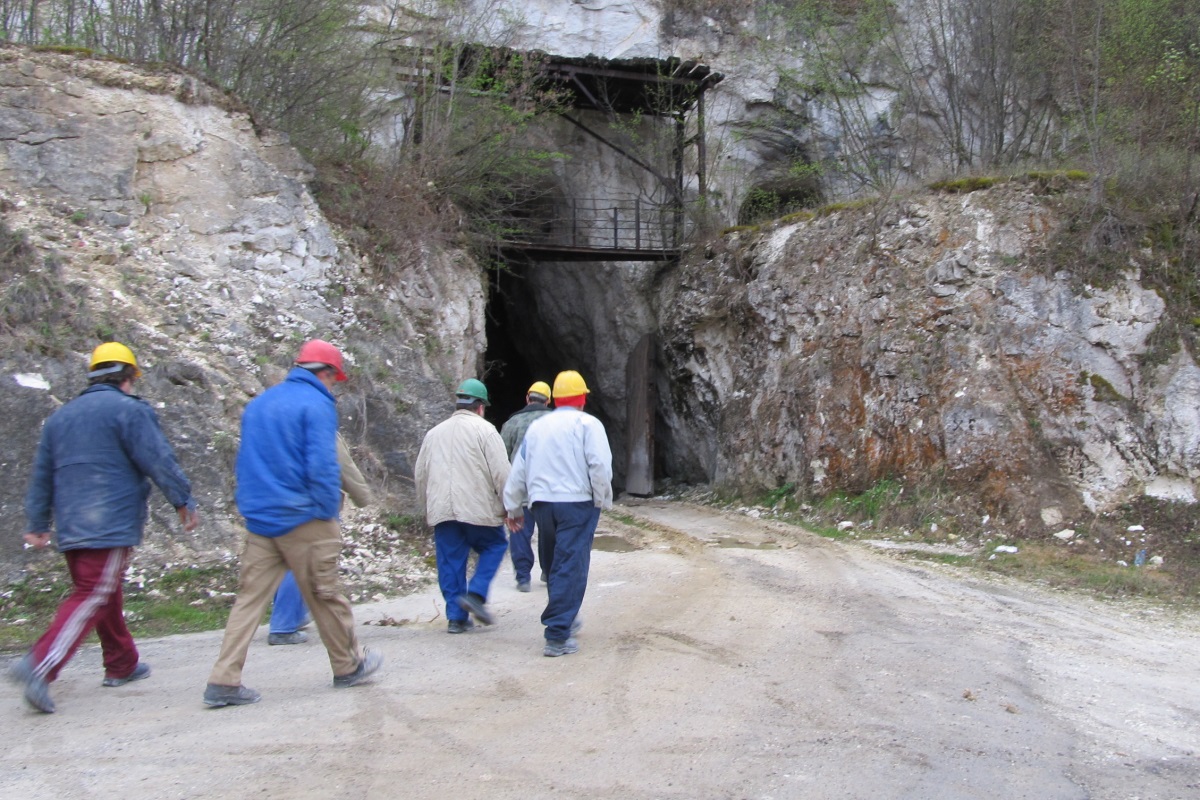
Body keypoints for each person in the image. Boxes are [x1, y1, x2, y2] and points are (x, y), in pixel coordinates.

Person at [9, 342, 199, 713]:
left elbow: (42, 475)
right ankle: (40, 664)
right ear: (129, 378)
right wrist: (182, 500)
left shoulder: (61, 418)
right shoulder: (129, 411)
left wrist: (37, 522)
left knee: (101, 591)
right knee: (93, 593)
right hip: (108, 520)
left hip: (71, 523)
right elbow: (157, 459)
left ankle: (122, 664)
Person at [202, 339, 381, 707]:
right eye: (336, 378)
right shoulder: (316, 404)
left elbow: (246, 463)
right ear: (327, 373)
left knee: (248, 600)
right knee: (326, 595)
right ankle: (349, 666)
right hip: (306, 519)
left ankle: (224, 679)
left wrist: (251, 508)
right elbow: (322, 464)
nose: (335, 385)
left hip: (262, 520)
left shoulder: (259, 404)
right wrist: (326, 509)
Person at [504, 370, 612, 657]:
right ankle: (558, 633)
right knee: (571, 564)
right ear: (582, 399)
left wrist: (513, 507)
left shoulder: (537, 427)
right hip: (577, 503)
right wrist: (600, 499)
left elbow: (519, 468)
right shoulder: (588, 424)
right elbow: (599, 465)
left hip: (541, 505)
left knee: (552, 562)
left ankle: (565, 614)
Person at [414, 378, 511, 634]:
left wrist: (427, 509)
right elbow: (502, 474)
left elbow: (420, 476)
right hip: (478, 510)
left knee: (450, 562)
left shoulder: (433, 434)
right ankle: (476, 594)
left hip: (443, 511)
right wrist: (512, 509)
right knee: (495, 544)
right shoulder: (486, 431)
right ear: (480, 406)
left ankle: (456, 618)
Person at [268, 432, 373, 645]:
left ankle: (293, 616)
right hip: (313, 504)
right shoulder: (318, 425)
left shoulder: (278, 427)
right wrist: (362, 496)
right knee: (304, 561)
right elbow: (343, 465)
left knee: (287, 558)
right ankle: (284, 626)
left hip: (279, 500)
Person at [499, 380, 552, 592]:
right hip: (547, 489)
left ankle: (522, 577)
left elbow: (501, 457)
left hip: (520, 487)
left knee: (519, 530)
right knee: (549, 532)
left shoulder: (512, 423)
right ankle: (548, 571)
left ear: (527, 398)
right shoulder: (554, 421)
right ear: (548, 401)